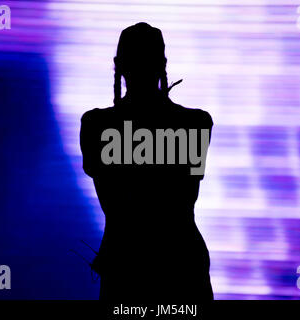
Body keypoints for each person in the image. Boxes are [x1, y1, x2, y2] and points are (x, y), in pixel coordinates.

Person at [80, 22, 213, 301]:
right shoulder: (195, 123)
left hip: (126, 265)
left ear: (119, 64)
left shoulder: (96, 125)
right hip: (181, 265)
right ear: (163, 63)